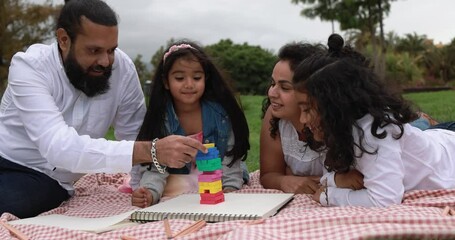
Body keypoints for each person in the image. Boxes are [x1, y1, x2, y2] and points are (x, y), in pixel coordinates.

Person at [0, 0, 205, 218]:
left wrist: (141, 188)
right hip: (8, 160)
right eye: (94, 50)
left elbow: (135, 132)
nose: (105, 61)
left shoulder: (122, 69)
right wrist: (152, 150)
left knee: (21, 198)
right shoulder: (30, 67)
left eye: (111, 50)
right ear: (63, 39)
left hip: (43, 180)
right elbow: (59, 147)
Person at [292, 34, 455, 207]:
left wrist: (328, 196)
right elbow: (327, 174)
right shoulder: (337, 128)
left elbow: (384, 200)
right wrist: (338, 179)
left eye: (307, 109)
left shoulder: (374, 132)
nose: (302, 119)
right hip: (435, 140)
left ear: (334, 105)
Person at [131, 40, 250, 207]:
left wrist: (229, 188)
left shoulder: (221, 114)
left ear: (205, 79)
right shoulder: (161, 118)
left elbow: (230, 156)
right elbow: (156, 164)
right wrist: (150, 192)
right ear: (166, 82)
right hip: (175, 179)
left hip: (220, 177)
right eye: (179, 78)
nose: (189, 84)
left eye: (196, 77)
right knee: (175, 189)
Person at [260, 42, 364, 194]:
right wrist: (284, 180)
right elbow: (269, 174)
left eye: (285, 87)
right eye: (272, 83)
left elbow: (356, 178)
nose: (272, 93)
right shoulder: (275, 116)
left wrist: (294, 174)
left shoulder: (336, 122)